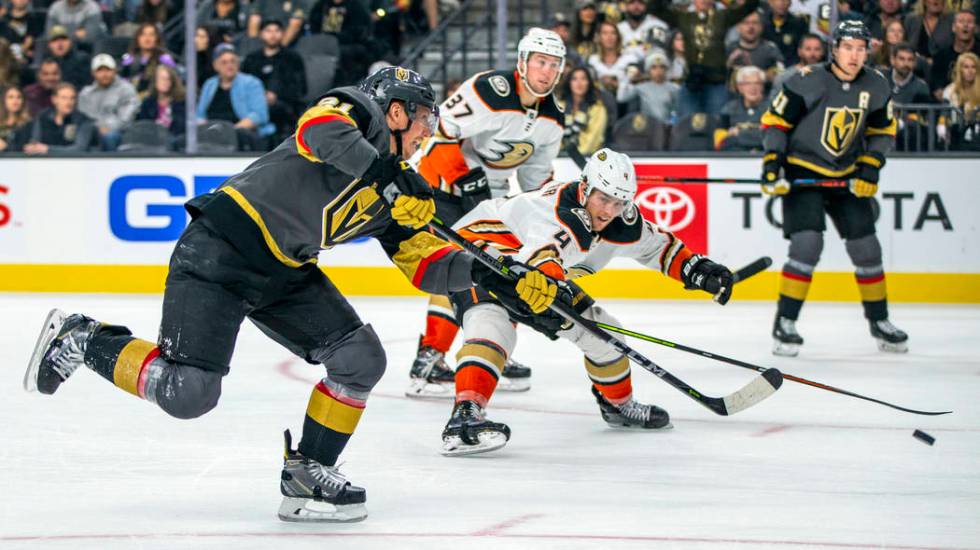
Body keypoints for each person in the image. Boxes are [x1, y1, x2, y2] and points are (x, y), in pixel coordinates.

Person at [23, 65, 556, 522]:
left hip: (283, 270)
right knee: (189, 394)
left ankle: (307, 472)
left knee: (358, 359)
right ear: (396, 111)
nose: (426, 133)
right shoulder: (360, 110)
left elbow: (427, 266)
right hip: (223, 245)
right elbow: (319, 130)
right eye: (422, 120)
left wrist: (493, 278)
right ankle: (83, 339)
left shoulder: (395, 188)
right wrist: (386, 173)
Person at [438, 148, 735, 456]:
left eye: (618, 202)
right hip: (479, 256)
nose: (609, 210)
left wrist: (698, 270)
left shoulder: (621, 221)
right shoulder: (556, 215)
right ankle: (465, 416)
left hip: (531, 270)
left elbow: (658, 247)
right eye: (603, 199)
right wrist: (553, 292)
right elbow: (542, 257)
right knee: (492, 326)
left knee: (605, 333)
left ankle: (618, 406)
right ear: (584, 189)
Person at [410, 28, 567, 398]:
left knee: (508, 271)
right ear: (522, 62)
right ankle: (429, 359)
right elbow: (437, 131)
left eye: (554, 65)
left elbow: (535, 178)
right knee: (461, 273)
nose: (546, 71)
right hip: (443, 190)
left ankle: (490, 348)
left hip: (488, 201)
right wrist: (463, 178)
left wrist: (536, 216)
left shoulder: (552, 120)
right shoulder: (488, 90)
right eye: (540, 61)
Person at [760, 20, 908, 356]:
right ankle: (785, 323)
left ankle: (879, 321)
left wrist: (871, 166)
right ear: (835, 49)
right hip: (803, 172)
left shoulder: (877, 84)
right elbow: (775, 123)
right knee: (807, 245)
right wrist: (772, 163)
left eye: (861, 48)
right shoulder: (804, 80)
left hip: (848, 175)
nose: (855, 55)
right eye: (848, 47)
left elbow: (883, 131)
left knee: (868, 250)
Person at [649, 0, 760, 117]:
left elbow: (750, 6)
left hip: (716, 81)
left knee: (717, 124)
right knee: (687, 124)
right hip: (691, 82)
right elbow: (654, 8)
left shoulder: (722, 16)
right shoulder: (684, 17)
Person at [197, 43, 275, 151]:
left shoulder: (252, 83)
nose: (229, 65)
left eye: (233, 61)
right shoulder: (209, 84)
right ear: (215, 65)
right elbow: (200, 115)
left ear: (238, 64)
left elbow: (259, 115)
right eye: (224, 62)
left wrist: (229, 132)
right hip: (213, 134)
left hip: (241, 133)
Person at [242, 19, 306, 141]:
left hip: (286, 106)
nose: (273, 35)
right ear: (261, 34)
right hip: (253, 106)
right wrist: (261, 97)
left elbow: (301, 88)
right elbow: (242, 84)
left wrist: (276, 96)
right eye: (268, 31)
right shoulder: (251, 59)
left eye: (277, 31)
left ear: (283, 34)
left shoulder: (293, 58)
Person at [78, 53, 139, 151]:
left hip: (119, 132)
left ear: (115, 71)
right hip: (93, 130)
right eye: (100, 70)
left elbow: (126, 119)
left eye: (108, 70)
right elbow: (84, 117)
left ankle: (112, 165)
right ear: (93, 73)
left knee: (110, 136)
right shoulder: (86, 93)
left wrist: (108, 128)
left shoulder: (126, 89)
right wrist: (99, 128)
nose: (104, 74)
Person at [308, 0, 374, 86]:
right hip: (322, 43)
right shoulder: (321, 5)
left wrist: (337, 39)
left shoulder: (356, 7)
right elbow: (314, 26)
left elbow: (359, 31)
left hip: (347, 44)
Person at [21, 81, 96, 154]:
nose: (69, 102)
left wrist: (47, 149)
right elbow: (35, 142)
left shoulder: (84, 121)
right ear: (54, 99)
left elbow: (79, 149)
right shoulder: (43, 116)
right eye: (64, 98)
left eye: (72, 98)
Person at [726, 9, 785, 87]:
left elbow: (781, 75)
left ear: (761, 27)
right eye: (746, 23)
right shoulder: (729, 48)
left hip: (764, 95)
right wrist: (728, 63)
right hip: (733, 96)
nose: (750, 27)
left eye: (755, 23)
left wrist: (760, 75)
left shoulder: (770, 49)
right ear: (738, 27)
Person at [119, 22, 178, 99]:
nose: (147, 38)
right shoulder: (129, 60)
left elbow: (174, 81)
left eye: (151, 35)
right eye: (143, 34)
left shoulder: (165, 59)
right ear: (137, 38)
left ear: (157, 38)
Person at [617, 51, 679, 122]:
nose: (658, 71)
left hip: (667, 127)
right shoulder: (641, 87)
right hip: (648, 128)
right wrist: (627, 78)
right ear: (648, 70)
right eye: (654, 67)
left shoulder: (674, 88)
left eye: (662, 67)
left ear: (666, 69)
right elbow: (621, 98)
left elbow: (678, 110)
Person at [929, 11, 980, 96]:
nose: (965, 25)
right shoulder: (941, 55)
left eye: (969, 22)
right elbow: (936, 85)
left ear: (976, 28)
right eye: (961, 21)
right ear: (953, 27)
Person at [716, 65, 766, 150]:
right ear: (740, 87)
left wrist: (740, 134)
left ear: (762, 86)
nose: (753, 88)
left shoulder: (773, 110)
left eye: (757, 83)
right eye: (747, 83)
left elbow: (773, 140)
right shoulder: (728, 110)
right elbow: (720, 142)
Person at [561, 65, 609, 155]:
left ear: (589, 83)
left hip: (587, 159)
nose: (579, 83)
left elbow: (592, 140)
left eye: (583, 79)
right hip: (559, 159)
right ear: (569, 83)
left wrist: (570, 157)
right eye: (574, 79)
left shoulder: (598, 109)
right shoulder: (559, 106)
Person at [136, 64, 185, 144]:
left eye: (168, 79)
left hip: (174, 142)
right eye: (162, 79)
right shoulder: (148, 102)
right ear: (155, 81)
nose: (165, 82)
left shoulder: (181, 101)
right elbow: (143, 126)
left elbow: (181, 128)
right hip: (151, 141)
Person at [589, 20, 640, 94]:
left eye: (613, 33)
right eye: (605, 33)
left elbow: (634, 87)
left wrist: (614, 83)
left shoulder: (630, 59)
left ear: (618, 37)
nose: (609, 37)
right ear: (599, 37)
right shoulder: (593, 60)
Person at [770, 32, 825, 101]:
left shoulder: (829, 75)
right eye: (808, 49)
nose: (812, 54)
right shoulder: (784, 78)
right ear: (799, 52)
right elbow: (773, 106)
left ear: (823, 52)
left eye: (817, 49)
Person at [764, 0, 809, 66]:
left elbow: (802, 50)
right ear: (770, 2)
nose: (782, 3)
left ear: (790, 3)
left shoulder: (799, 24)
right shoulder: (761, 22)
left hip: (791, 68)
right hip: (766, 68)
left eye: (786, 0)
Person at [44, 25, 91, 89]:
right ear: (49, 45)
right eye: (55, 40)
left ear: (70, 42)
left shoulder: (82, 59)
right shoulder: (46, 62)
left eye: (63, 39)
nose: (59, 44)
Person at [0, 85, 31, 152]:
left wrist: (6, 146)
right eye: (10, 97)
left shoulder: (28, 124)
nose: (15, 100)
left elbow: (28, 148)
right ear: (3, 100)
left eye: (19, 97)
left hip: (17, 160)